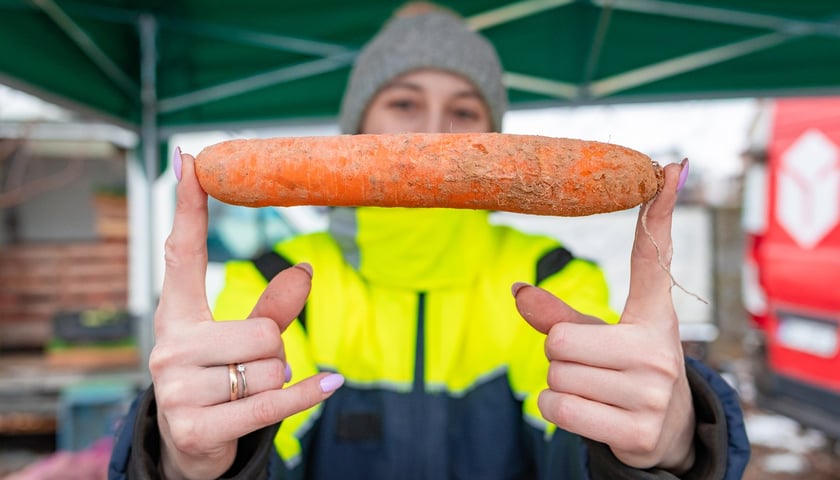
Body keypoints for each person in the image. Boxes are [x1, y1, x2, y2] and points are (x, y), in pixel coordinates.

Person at [109, 3, 750, 479]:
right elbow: (269, 458)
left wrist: (668, 448)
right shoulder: (274, 283)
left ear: (496, 137)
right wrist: (189, 463)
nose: (437, 132)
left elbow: (573, 458)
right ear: (357, 128)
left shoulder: (552, 277)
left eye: (465, 111)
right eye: (405, 104)